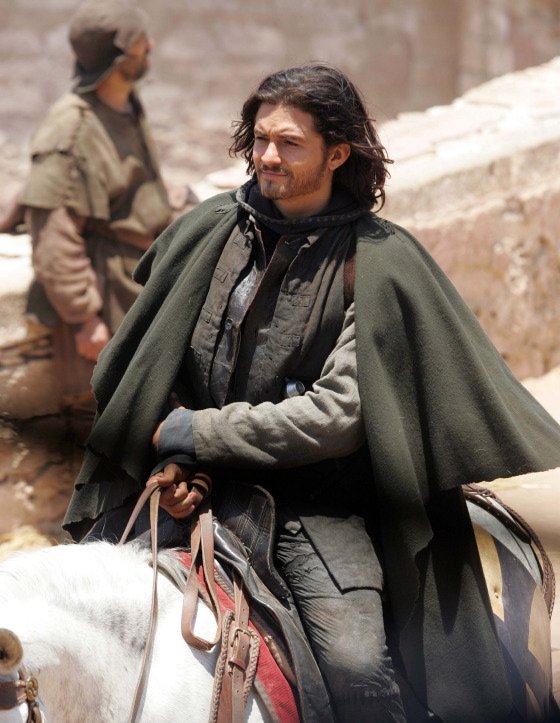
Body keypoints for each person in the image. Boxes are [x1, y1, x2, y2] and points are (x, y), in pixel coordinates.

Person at [63, 64, 560, 722]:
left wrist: (192, 433)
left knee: (356, 664)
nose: (268, 156)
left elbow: (335, 416)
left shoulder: (376, 261)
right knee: (76, 620)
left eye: (290, 143)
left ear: (337, 153)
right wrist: (175, 459)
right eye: (261, 138)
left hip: (316, 506)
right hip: (195, 482)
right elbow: (151, 363)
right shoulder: (210, 231)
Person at [20, 0, 172, 407]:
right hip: (105, 300)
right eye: (140, 41)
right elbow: (52, 236)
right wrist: (85, 318)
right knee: (101, 419)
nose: (151, 45)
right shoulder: (70, 130)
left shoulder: (125, 104)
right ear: (119, 57)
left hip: (135, 282)